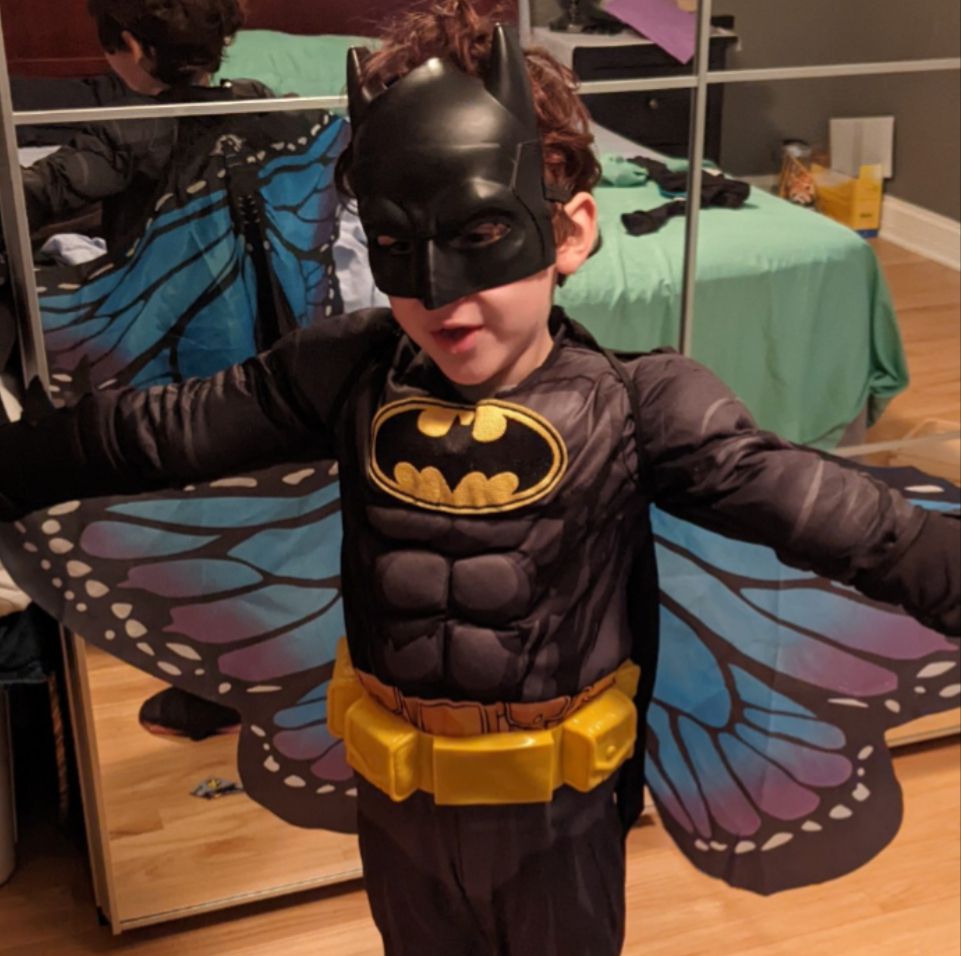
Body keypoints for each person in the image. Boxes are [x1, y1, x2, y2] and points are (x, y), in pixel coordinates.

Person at [0, 2, 958, 953]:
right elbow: (154, 433)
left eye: (479, 234)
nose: (439, 292)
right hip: (397, 805)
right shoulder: (345, 372)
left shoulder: (645, 404)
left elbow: (855, 524)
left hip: (560, 818)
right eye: (396, 246)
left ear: (570, 230)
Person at [18, 0, 265, 251]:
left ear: (133, 46)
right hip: (258, 280)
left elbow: (28, 196)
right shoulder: (259, 101)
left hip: (159, 286)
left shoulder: (128, 129)